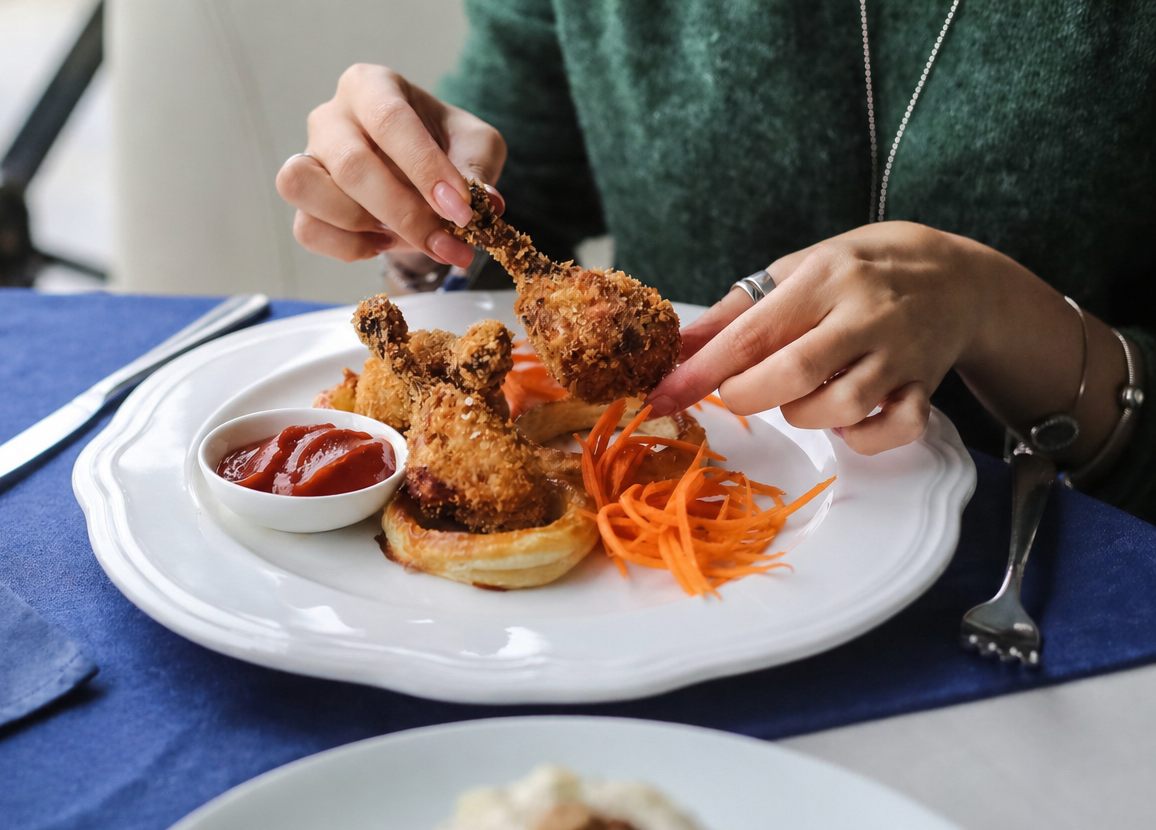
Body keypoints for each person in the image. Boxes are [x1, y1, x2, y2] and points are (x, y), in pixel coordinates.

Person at [276, 1, 1156, 521]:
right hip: (667, 564)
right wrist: (409, 200)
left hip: (1061, 559)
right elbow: (520, 184)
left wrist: (994, 311)